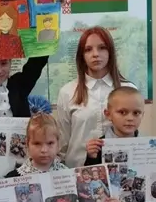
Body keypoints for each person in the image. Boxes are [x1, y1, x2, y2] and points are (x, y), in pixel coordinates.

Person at [57, 26, 137, 170]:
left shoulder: (128, 90)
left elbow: (134, 134)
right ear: (82, 55)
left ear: (110, 51)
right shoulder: (67, 92)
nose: (95, 54)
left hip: (119, 170)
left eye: (102, 48)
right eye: (88, 49)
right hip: (77, 171)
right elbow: (63, 142)